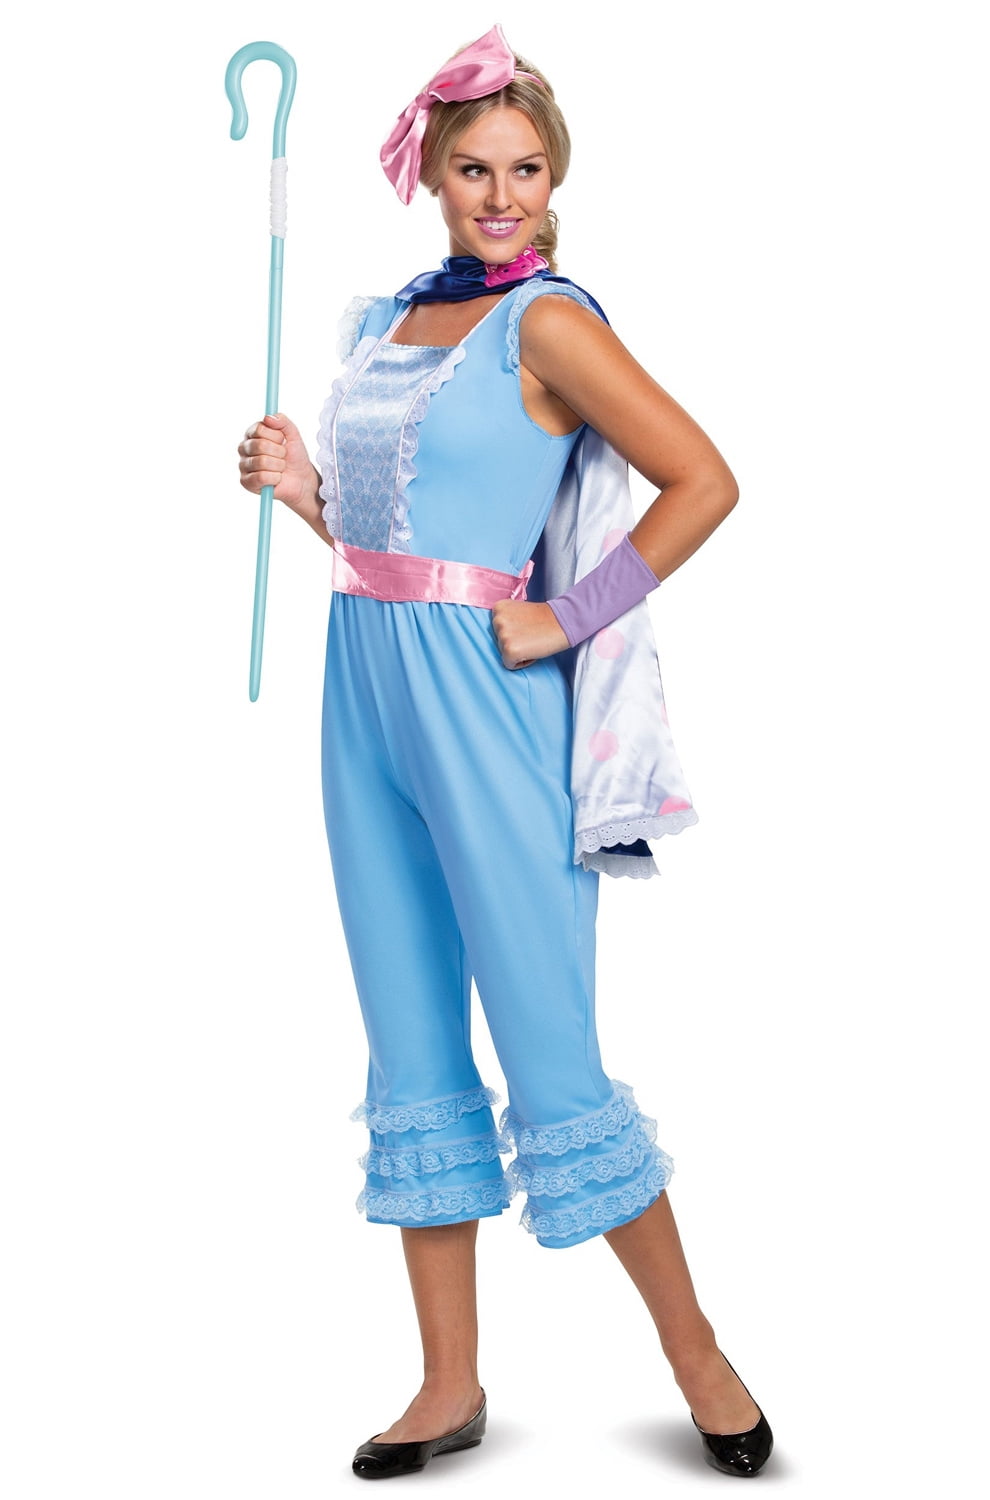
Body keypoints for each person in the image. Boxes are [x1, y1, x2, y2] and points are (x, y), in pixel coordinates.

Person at [237, 23, 774, 1482]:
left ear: (554, 178)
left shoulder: (548, 324)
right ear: (432, 175)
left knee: (548, 1053)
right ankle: (447, 1382)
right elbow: (389, 541)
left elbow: (703, 478)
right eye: (474, 169)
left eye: (525, 170)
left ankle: (698, 1356)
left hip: (487, 703)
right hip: (361, 696)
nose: (500, 196)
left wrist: (568, 614)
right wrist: (303, 490)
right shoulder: (385, 323)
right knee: (410, 1037)